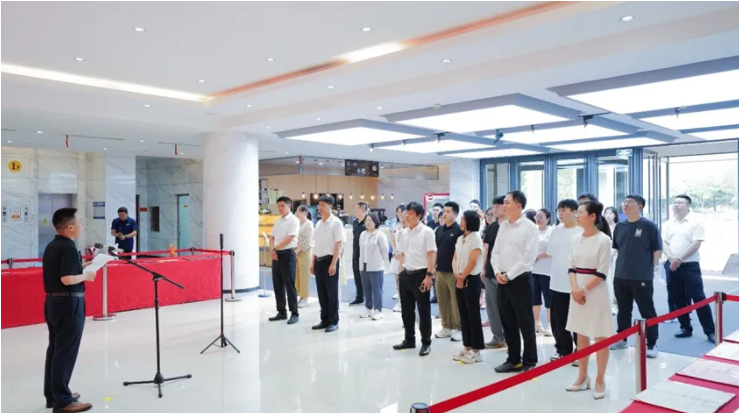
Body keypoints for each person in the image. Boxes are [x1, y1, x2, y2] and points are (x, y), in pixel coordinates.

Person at [43, 208, 96, 413]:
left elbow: (63, 271)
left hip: (53, 303)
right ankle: (63, 401)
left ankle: (53, 394)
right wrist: (86, 276)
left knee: (55, 349)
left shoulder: (52, 246)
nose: (82, 224)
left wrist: (84, 265)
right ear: (70, 227)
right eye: (80, 221)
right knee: (65, 352)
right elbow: (66, 279)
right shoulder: (68, 247)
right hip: (68, 304)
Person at [565, 200, 614, 400]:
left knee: (600, 336)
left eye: (581, 212)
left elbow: (602, 272)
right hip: (577, 291)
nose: (577, 216)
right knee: (581, 334)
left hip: (596, 291)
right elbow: (571, 267)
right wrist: (575, 289)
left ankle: (600, 379)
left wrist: (583, 290)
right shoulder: (575, 239)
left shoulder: (604, 240)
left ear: (593, 216)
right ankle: (582, 376)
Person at [490, 190, 539, 373]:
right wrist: (497, 272)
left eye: (507, 202)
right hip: (502, 278)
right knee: (508, 321)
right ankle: (513, 359)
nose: (504, 205)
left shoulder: (530, 227)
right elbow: (495, 251)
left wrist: (509, 275)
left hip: (520, 280)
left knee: (525, 321)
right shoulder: (503, 226)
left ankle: (529, 360)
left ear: (518, 206)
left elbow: (528, 258)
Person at [610, 194, 662, 358]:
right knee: (623, 310)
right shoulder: (620, 226)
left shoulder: (649, 226)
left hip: (641, 277)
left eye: (630, 202)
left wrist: (651, 269)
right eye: (624, 202)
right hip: (621, 275)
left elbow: (657, 250)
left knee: (647, 310)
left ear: (640, 206)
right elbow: (617, 248)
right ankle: (622, 338)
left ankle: (651, 343)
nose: (625, 204)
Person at [662, 195, 716, 342]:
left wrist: (679, 259)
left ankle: (710, 331)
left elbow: (696, 244)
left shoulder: (696, 222)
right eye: (675, 202)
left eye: (680, 203)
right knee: (677, 298)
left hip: (690, 265)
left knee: (698, 297)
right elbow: (664, 243)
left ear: (688, 206)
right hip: (671, 265)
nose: (676, 205)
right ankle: (685, 327)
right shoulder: (668, 224)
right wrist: (671, 259)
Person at [393, 202, 437, 357]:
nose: (407, 215)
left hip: (421, 274)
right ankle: (409, 339)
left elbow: (431, 254)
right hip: (407, 273)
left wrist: (429, 276)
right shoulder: (404, 232)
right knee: (406, 310)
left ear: (419, 216)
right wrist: (400, 273)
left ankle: (426, 342)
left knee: (423, 310)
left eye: (410, 213)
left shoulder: (427, 232)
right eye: (406, 213)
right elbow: (402, 254)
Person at [548, 199, 582, 361]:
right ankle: (563, 349)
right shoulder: (555, 230)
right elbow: (551, 253)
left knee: (577, 319)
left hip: (576, 283)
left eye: (564, 210)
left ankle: (580, 350)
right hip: (557, 281)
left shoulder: (581, 230)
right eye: (559, 210)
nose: (560, 213)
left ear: (575, 212)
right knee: (558, 318)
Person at [451, 210, 486, 364]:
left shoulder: (476, 238)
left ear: (471, 221)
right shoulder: (460, 238)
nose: (461, 222)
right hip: (459, 277)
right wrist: (456, 273)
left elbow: (473, 261)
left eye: (463, 219)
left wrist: (462, 276)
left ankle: (476, 350)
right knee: (463, 314)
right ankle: (467, 346)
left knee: (473, 315)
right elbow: (455, 258)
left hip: (471, 279)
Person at [311, 195, 345, 333]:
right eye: (319, 205)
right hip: (319, 261)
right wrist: (312, 262)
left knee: (332, 293)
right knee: (321, 292)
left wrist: (333, 263)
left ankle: (333, 321)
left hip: (330, 260)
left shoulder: (336, 223)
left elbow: (338, 244)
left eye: (323, 205)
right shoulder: (318, 224)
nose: (320, 208)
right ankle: (324, 319)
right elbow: (315, 244)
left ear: (330, 206)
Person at [434, 202, 463, 342]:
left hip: (454, 272)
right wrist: (433, 268)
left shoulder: (459, 230)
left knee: (456, 301)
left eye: (448, 211)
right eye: (444, 211)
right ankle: (446, 326)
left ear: (455, 214)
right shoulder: (439, 230)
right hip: (440, 270)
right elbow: (436, 250)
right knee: (442, 300)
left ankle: (458, 328)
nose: (444, 214)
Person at [269, 196, 300, 325]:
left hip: (287, 254)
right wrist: (272, 250)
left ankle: (294, 313)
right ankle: (282, 311)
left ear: (289, 206)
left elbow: (290, 238)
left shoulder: (293, 220)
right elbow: (271, 237)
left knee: (289, 284)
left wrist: (275, 248)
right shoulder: (278, 221)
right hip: (276, 255)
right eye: (279, 206)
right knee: (277, 284)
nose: (280, 208)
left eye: (282, 205)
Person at [481, 197, 507, 349]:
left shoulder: (512, 226)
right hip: (491, 272)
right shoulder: (491, 227)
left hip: (507, 273)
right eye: (494, 206)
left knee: (507, 307)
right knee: (492, 307)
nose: (495, 209)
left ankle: (510, 337)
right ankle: (498, 337)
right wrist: (483, 268)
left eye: (498, 206)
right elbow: (487, 249)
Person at [359, 212, 389, 320]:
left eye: (370, 220)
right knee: (366, 288)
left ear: (375, 222)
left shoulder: (380, 234)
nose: (368, 222)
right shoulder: (363, 234)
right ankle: (368, 308)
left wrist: (383, 261)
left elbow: (385, 250)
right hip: (364, 265)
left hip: (376, 266)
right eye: (366, 220)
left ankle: (378, 310)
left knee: (377, 289)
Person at [532, 208, 553, 337]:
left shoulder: (551, 231)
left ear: (548, 219)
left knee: (548, 298)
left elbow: (552, 249)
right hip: (533, 269)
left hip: (547, 270)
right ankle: (537, 323)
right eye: (537, 216)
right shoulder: (533, 230)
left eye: (541, 216)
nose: (538, 219)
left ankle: (550, 325)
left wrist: (538, 256)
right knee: (535, 298)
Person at [350, 202, 369, 307]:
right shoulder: (355, 222)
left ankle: (369, 298)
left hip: (366, 254)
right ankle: (359, 297)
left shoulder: (368, 222)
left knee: (366, 277)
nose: (355, 211)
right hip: (356, 253)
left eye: (357, 209)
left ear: (363, 210)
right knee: (357, 276)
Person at [294, 205, 314, 308]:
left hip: (305, 252)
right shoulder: (297, 223)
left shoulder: (308, 224)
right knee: (297, 275)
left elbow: (306, 241)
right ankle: (299, 296)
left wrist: (296, 251)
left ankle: (305, 298)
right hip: (296, 252)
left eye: (297, 211)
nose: (296, 213)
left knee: (304, 276)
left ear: (304, 213)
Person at [389, 205, 407, 312]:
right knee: (398, 279)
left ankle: (407, 302)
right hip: (396, 256)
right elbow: (392, 240)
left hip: (406, 258)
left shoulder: (409, 226)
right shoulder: (395, 226)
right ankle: (400, 302)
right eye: (398, 212)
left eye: (402, 212)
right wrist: (395, 251)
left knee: (405, 280)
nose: (400, 215)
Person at [604, 206, 620, 314]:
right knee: (606, 282)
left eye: (610, 213)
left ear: (615, 215)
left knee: (614, 281)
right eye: (606, 213)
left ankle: (615, 305)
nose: (608, 215)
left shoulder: (619, 227)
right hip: (604, 256)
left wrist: (612, 254)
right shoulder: (601, 227)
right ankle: (607, 305)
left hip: (616, 257)